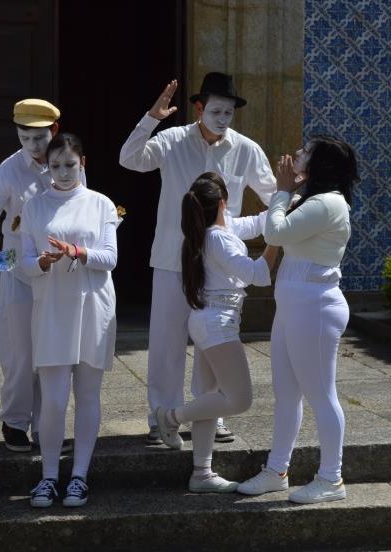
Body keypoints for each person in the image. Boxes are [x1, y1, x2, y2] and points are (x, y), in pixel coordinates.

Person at [119, 72, 276, 445]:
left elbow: (274, 196)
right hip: (173, 258)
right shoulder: (172, 140)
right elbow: (130, 159)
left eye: (229, 112)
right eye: (216, 110)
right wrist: (152, 117)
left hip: (219, 265)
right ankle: (161, 415)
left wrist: (290, 218)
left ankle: (212, 413)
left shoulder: (246, 149)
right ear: (200, 108)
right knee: (166, 342)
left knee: (216, 344)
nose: (223, 118)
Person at [237, 135, 359, 504]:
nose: (297, 153)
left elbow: (274, 232)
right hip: (294, 307)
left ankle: (331, 478)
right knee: (287, 394)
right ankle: (277, 470)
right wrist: (285, 192)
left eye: (306, 151)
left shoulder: (327, 204)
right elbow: (271, 223)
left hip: (316, 308)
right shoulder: (309, 200)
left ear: (320, 166)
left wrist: (282, 189)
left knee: (322, 395)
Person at [155, 172, 278, 492]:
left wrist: (285, 200)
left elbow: (255, 223)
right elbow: (258, 274)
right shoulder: (219, 238)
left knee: (209, 398)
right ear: (224, 201)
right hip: (217, 323)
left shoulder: (216, 231)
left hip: (212, 319)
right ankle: (170, 417)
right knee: (240, 400)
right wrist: (277, 239)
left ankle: (202, 473)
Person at [0, 99, 78, 453]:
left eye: (40, 137)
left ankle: (49, 425)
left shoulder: (67, 162)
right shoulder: (9, 169)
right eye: (25, 138)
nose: (34, 146)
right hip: (17, 268)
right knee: (19, 351)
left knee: (53, 352)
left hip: (56, 272)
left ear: (55, 131)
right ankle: (15, 420)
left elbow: (81, 207)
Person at [20, 133, 118, 508]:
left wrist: (77, 252)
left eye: (70, 165)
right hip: (52, 307)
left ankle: (79, 476)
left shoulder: (101, 204)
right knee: (54, 400)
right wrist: (42, 263)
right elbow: (25, 262)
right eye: (55, 165)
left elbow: (110, 257)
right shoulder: (35, 207)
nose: (62, 172)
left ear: (83, 164)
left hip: (92, 305)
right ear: (47, 166)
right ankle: (48, 476)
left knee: (88, 394)